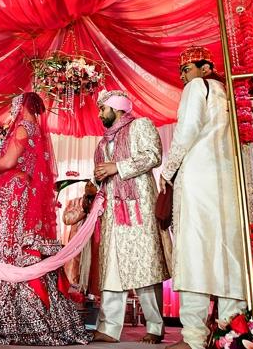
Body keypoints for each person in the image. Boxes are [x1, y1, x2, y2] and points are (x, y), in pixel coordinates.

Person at [0, 92, 90, 345]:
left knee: (5, 249)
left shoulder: (23, 127)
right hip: (22, 195)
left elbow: (10, 160)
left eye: (13, 106)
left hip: (12, 196)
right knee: (19, 246)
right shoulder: (37, 131)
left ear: (21, 106)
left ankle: (2, 317)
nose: (11, 112)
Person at [159, 46, 246, 349]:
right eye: (182, 71)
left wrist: (168, 171)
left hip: (197, 178)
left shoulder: (199, 87)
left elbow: (186, 131)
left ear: (206, 68)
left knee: (194, 249)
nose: (183, 76)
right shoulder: (231, 96)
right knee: (228, 252)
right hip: (228, 180)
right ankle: (231, 330)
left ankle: (194, 337)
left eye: (187, 69)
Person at [92, 89, 168, 344]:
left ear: (117, 108)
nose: (100, 113)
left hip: (138, 207)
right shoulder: (104, 141)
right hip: (113, 211)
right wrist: (99, 176)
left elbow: (153, 156)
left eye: (103, 108)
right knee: (112, 267)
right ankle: (109, 327)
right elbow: (103, 170)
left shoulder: (140, 125)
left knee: (144, 264)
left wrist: (118, 167)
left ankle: (155, 327)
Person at [62, 181, 100, 297]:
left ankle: (93, 297)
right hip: (77, 245)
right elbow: (66, 219)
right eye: (87, 185)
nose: (88, 187)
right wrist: (83, 210)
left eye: (92, 185)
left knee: (95, 269)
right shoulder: (75, 202)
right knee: (74, 271)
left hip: (96, 242)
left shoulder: (102, 202)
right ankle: (75, 298)